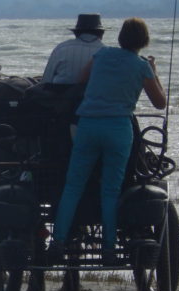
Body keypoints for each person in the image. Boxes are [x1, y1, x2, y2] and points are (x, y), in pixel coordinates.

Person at [49, 17, 167, 265]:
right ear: (144, 41)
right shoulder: (142, 66)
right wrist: (154, 72)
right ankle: (109, 249)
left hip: (88, 125)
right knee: (111, 190)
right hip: (118, 129)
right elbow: (160, 103)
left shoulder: (102, 56)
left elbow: (82, 81)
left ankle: (58, 242)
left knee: (73, 186)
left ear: (121, 37)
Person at [42, 14, 105, 85]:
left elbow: (46, 81)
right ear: (101, 34)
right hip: (91, 95)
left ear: (76, 32)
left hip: (60, 94)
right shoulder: (105, 52)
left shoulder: (62, 48)